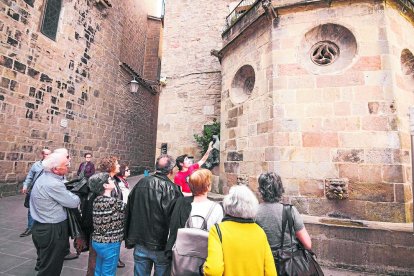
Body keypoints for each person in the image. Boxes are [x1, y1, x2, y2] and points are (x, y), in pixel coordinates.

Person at [125, 154, 182, 276]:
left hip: (140, 240)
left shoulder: (141, 182)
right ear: (171, 171)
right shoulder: (172, 189)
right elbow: (175, 219)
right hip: (160, 244)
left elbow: (130, 209)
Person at [203, 185, 277, 276]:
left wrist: (204, 268)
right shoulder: (260, 232)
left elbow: (214, 271)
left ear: (228, 204)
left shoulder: (218, 231)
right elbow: (271, 273)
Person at [30, 151, 80, 275]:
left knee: (46, 263)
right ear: (56, 169)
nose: (68, 165)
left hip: (41, 226)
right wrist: (76, 195)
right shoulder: (53, 184)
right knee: (51, 269)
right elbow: (73, 202)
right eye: (66, 164)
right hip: (52, 229)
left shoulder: (45, 176)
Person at [255, 172, 312, 266]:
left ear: (261, 190)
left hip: (264, 263)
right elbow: (308, 244)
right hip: (289, 263)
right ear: (280, 189)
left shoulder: (254, 212)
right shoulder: (290, 211)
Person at [166, 169, 223, 256]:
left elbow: (172, 228)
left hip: (182, 254)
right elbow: (218, 235)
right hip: (205, 253)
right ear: (208, 187)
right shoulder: (216, 208)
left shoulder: (180, 203)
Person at [85, 156, 123, 275]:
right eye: (117, 163)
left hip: (101, 237)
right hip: (107, 237)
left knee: (99, 268)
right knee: (102, 268)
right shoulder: (101, 184)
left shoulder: (114, 181)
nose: (119, 166)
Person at [20, 148, 51, 237]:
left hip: (46, 192)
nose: (49, 156)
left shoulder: (53, 166)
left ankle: (43, 228)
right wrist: (25, 186)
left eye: (50, 154)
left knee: (45, 209)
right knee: (31, 209)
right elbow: (30, 176)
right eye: (47, 154)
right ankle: (30, 227)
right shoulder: (36, 165)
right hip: (34, 190)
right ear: (42, 155)